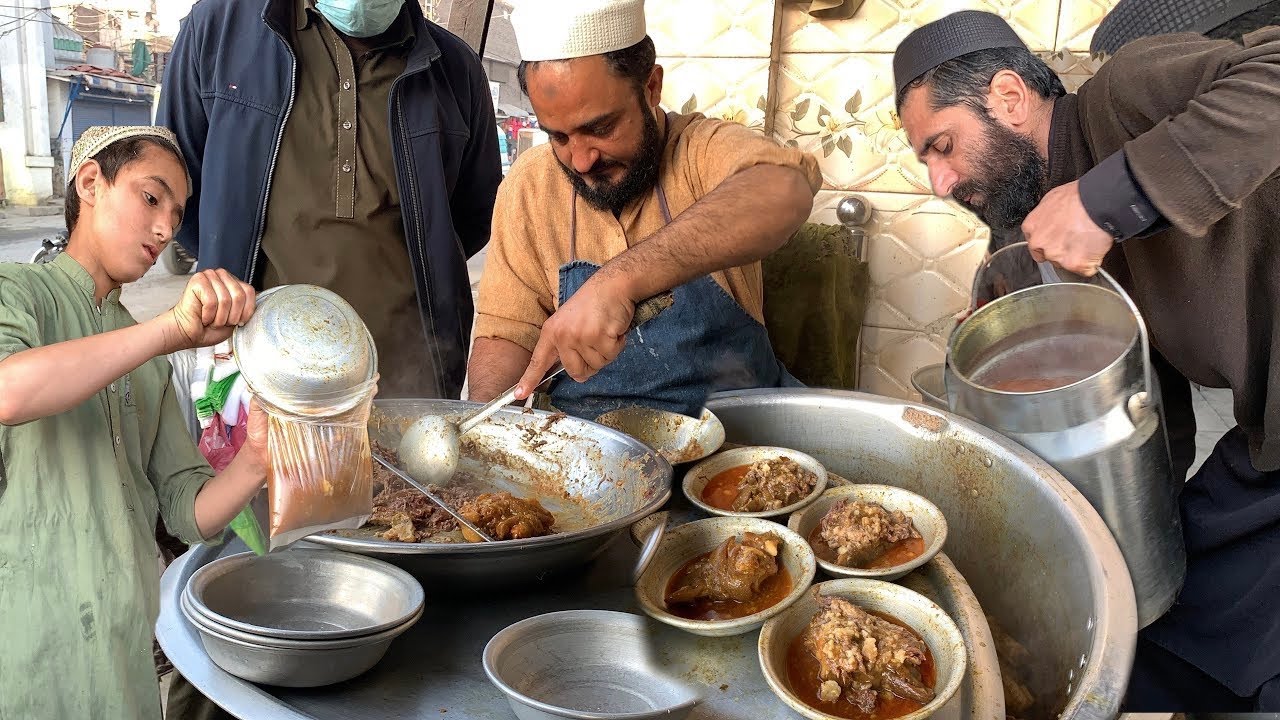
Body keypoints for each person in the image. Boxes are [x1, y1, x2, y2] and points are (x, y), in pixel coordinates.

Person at [891, 11, 1280, 710]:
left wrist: (1109, 200)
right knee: (1152, 631)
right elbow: (1141, 410)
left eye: (941, 146)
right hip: (1267, 446)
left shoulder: (1126, 96)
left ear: (1009, 98)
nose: (939, 182)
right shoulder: (1035, 236)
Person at [0, 126, 268, 719]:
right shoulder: (16, 291)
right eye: (152, 198)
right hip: (25, 659)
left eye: (177, 214)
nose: (167, 228)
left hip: (124, 662)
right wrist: (170, 331)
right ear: (91, 182)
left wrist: (259, 457)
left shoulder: (144, 358)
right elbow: (9, 390)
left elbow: (185, 511)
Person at [466, 0, 821, 420]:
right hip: (590, 451)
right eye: (558, 136)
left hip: (739, 442)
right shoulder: (528, 185)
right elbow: (506, 334)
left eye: (600, 128)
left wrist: (616, 283)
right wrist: (486, 428)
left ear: (651, 87)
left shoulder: (699, 149)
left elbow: (785, 188)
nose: (581, 160)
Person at [158, 0, 501, 400]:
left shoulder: (456, 68)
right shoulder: (219, 28)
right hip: (257, 375)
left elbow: (470, 219)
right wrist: (228, 257)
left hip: (407, 379)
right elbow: (180, 189)